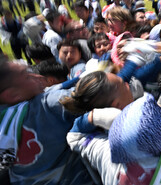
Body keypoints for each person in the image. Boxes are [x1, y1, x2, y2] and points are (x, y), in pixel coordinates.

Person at [0, 55, 93, 184]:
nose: (39, 76)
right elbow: (98, 92)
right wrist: (130, 63)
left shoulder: (5, 115)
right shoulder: (47, 104)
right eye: (27, 75)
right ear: (13, 95)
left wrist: (79, 78)